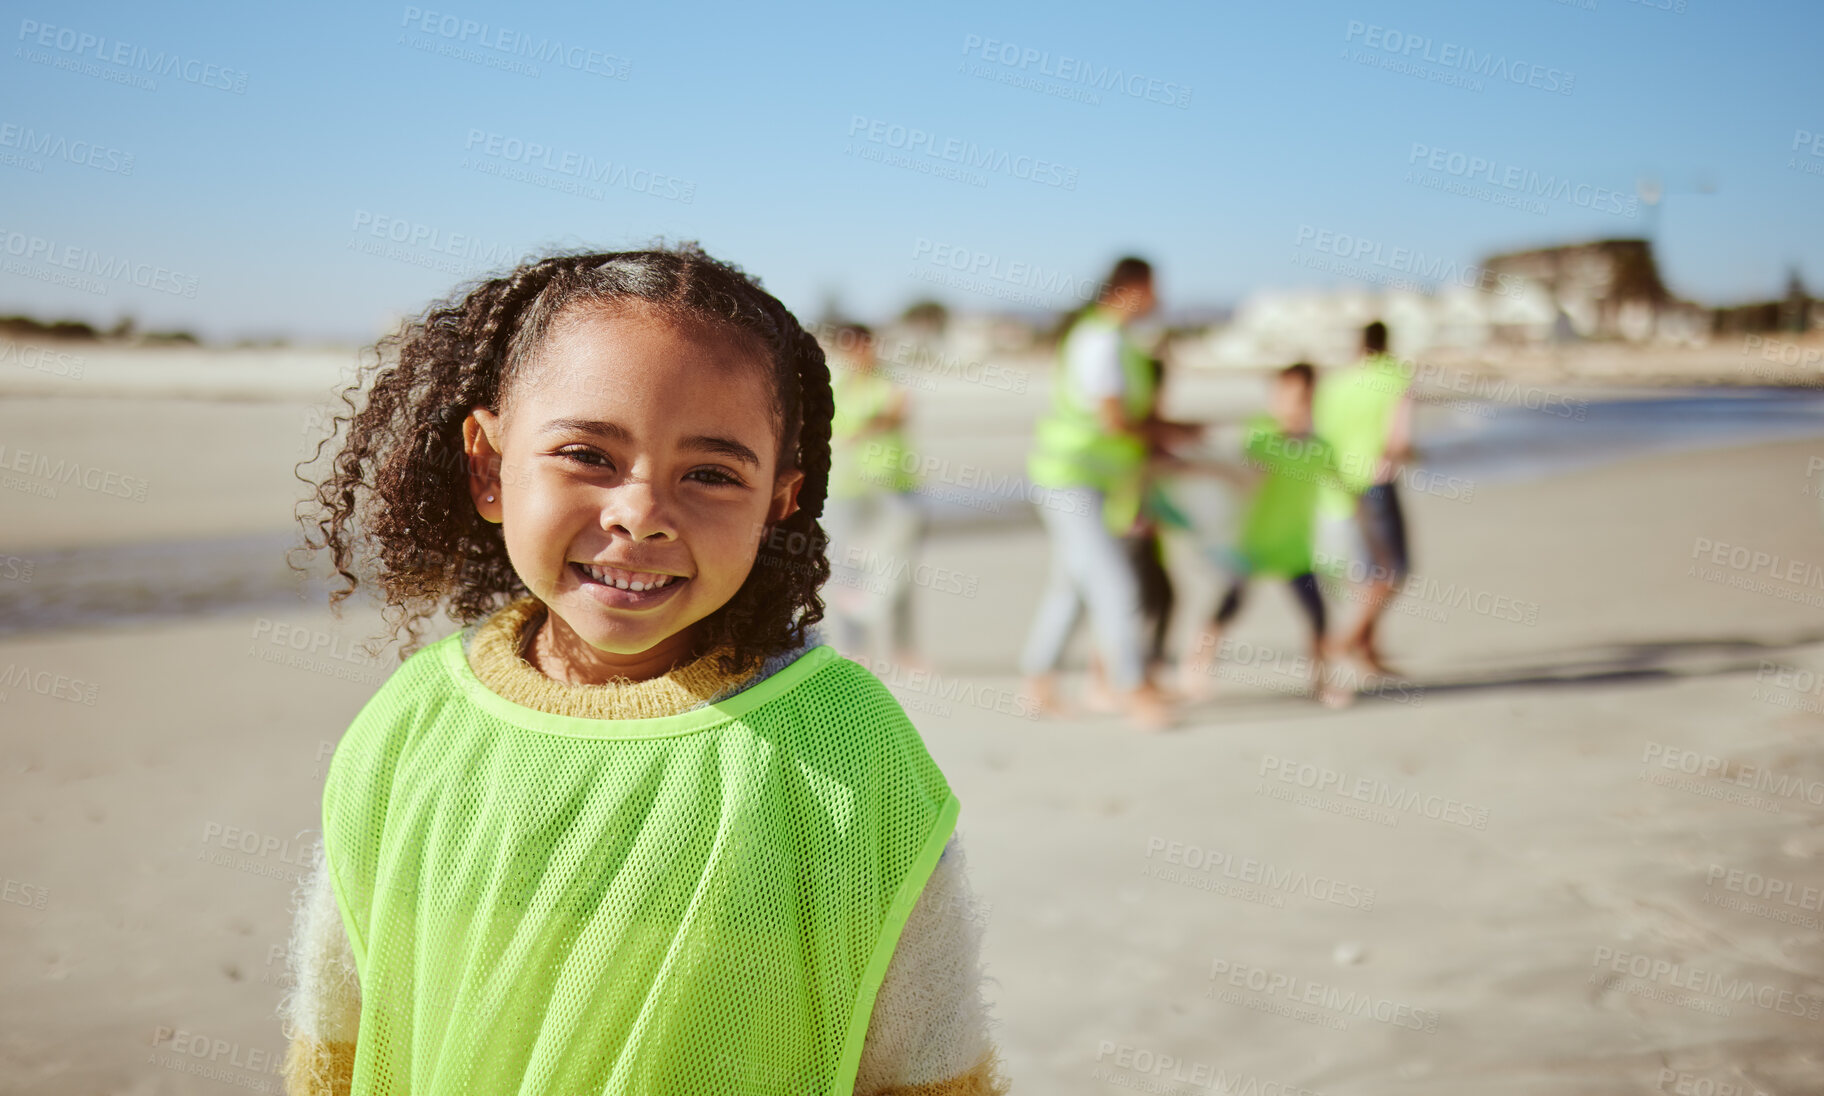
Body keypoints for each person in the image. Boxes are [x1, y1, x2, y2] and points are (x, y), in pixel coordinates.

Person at [282, 247, 1004, 1096]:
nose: (642, 515)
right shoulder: (409, 728)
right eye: (588, 454)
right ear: (488, 465)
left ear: (780, 501)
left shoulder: (850, 757)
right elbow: (337, 1034)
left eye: (711, 474)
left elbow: (930, 1061)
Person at [1020, 257, 1180, 729]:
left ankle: (1037, 683)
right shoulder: (1100, 340)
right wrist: (1164, 432)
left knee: (1070, 585)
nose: (1159, 300)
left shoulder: (1116, 340)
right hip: (1071, 477)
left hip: (1087, 480)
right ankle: (1132, 689)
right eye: (1155, 289)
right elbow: (1112, 419)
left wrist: (1169, 431)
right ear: (1131, 289)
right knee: (1115, 585)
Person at [1179, 364, 1348, 707]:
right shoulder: (1261, 435)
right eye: (1285, 396)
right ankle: (1194, 669)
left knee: (1317, 614)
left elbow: (1342, 489)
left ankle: (1322, 681)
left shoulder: (1320, 447)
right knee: (1229, 605)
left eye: (1302, 398)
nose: (1292, 405)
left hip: (1295, 547)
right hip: (1253, 543)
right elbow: (1242, 472)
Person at [1313, 320, 1414, 676]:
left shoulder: (1337, 381)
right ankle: (1344, 641)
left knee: (1368, 570)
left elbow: (1320, 433)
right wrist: (1411, 456)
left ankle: (1368, 652)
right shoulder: (1395, 376)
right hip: (1376, 479)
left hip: (1338, 483)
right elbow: (1398, 441)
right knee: (1393, 570)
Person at [821, 322, 925, 667]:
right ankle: (856, 649)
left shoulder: (890, 377)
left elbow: (897, 414)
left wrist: (867, 424)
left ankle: (903, 650)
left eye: (865, 344)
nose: (861, 352)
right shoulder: (833, 383)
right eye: (852, 345)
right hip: (847, 488)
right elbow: (830, 426)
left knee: (899, 569)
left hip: (895, 485)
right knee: (850, 572)